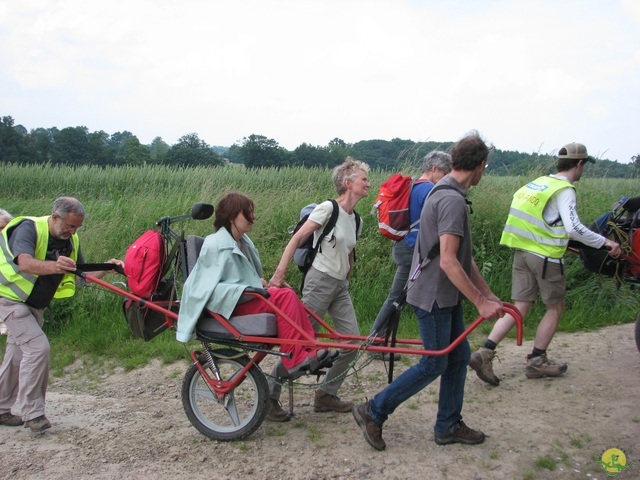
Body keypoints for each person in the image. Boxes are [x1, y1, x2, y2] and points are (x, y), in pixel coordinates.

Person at [352, 131, 503, 451]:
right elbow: (448, 262)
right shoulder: (449, 198)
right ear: (479, 166)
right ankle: (374, 409)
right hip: (433, 295)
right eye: (485, 168)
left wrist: (487, 294)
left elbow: (464, 257)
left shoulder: (448, 192)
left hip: (445, 294)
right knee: (434, 362)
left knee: (459, 355)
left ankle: (447, 424)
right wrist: (480, 301)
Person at [469, 142, 622, 386]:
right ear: (580, 164)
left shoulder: (538, 183)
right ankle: (536, 361)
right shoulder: (564, 190)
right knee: (555, 307)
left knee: (520, 306)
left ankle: (485, 352)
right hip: (546, 257)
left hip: (521, 252)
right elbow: (574, 227)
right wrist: (605, 243)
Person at [175, 192, 334, 421]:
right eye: (248, 212)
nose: (253, 216)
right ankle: (297, 357)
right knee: (284, 297)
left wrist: (258, 284)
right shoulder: (216, 245)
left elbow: (243, 276)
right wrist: (250, 287)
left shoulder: (242, 242)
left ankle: (308, 351)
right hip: (229, 308)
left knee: (286, 293)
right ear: (232, 216)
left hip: (246, 299)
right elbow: (203, 289)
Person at [0, 197, 124, 432]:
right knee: (38, 349)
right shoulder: (28, 228)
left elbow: (79, 276)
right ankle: (33, 414)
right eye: (69, 226)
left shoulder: (71, 240)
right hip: (10, 300)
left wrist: (108, 267)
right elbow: (24, 263)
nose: (72, 231)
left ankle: (1, 409)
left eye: (77, 227)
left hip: (35, 305)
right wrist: (54, 266)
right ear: (55, 216)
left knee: (16, 356)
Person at [268, 157, 370, 417]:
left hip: (340, 286)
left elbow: (349, 252)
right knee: (300, 346)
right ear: (348, 183)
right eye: (364, 180)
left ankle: (326, 395)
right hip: (319, 282)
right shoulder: (327, 209)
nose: (369, 184)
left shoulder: (356, 220)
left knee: (351, 342)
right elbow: (298, 238)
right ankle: (269, 396)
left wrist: (347, 273)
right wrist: (279, 274)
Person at [368, 151, 452, 361]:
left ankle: (379, 340)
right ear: (434, 169)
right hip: (413, 251)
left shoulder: (413, 186)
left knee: (401, 297)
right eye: (445, 172)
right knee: (398, 297)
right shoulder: (429, 190)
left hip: (404, 247)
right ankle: (376, 342)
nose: (448, 176)